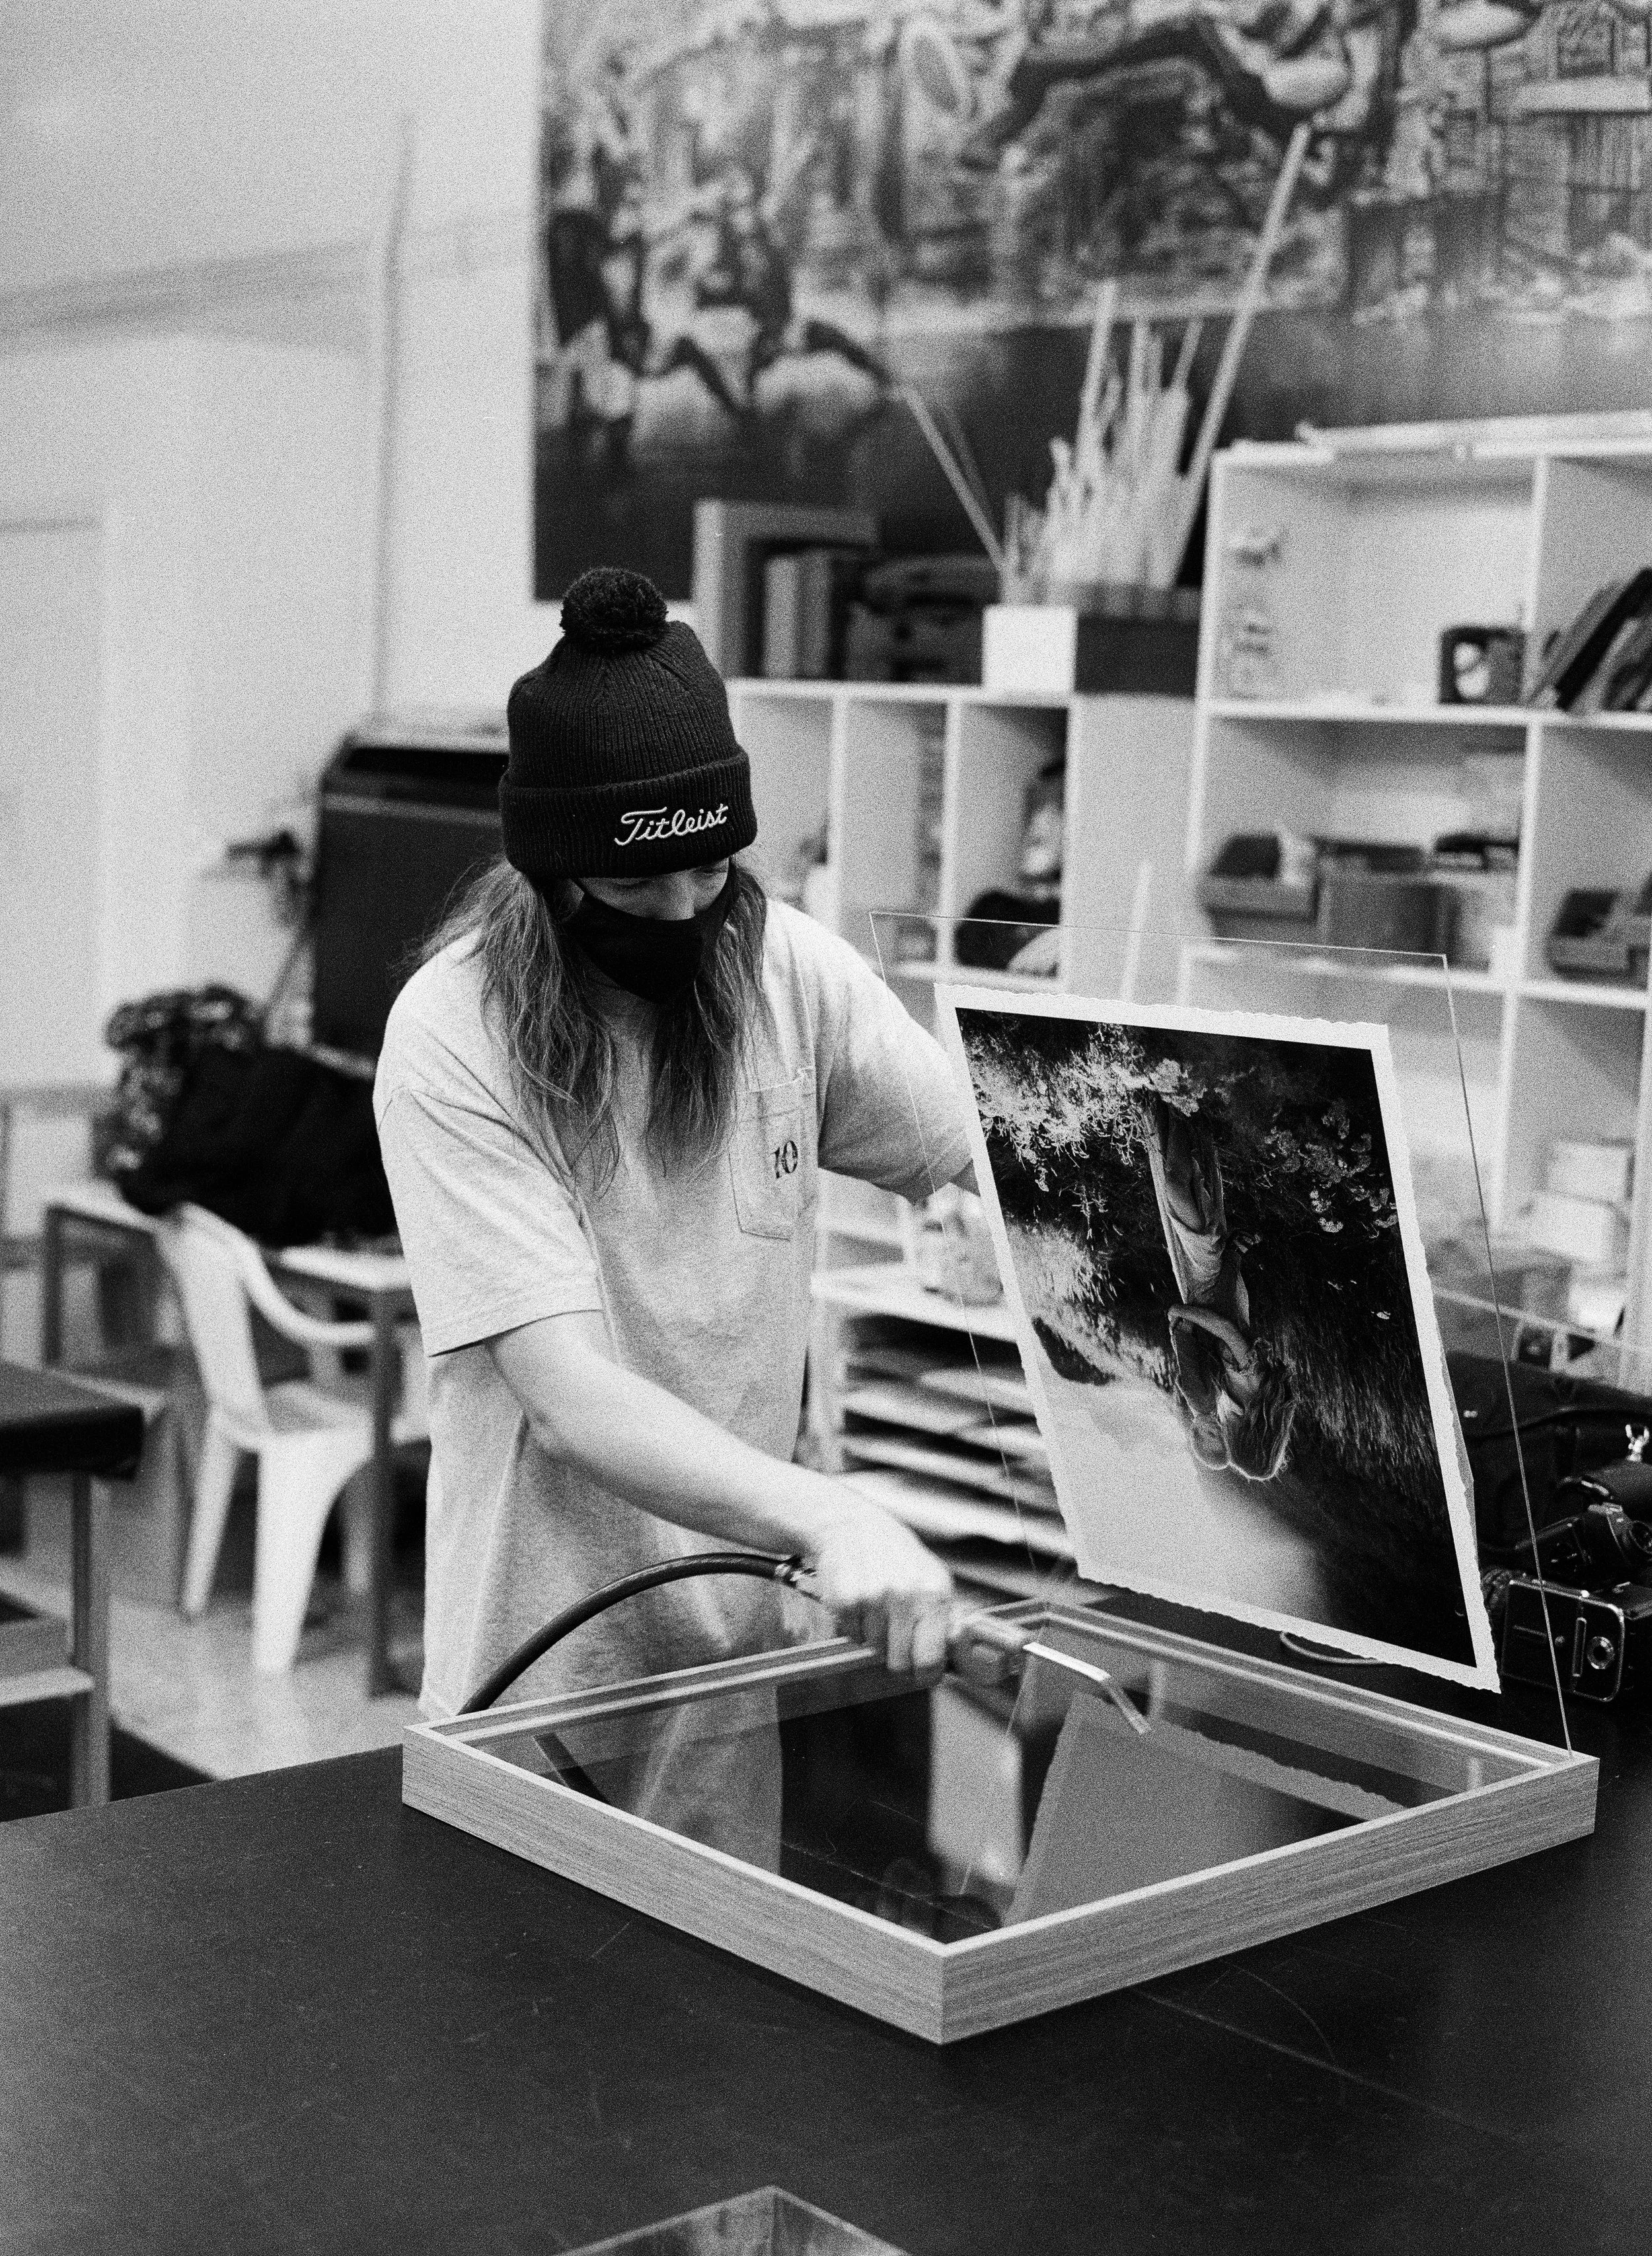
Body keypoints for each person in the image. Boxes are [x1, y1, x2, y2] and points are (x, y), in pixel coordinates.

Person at [373, 568, 971, 1784]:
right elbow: (570, 1394)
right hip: (540, 1679)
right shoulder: (453, 1034)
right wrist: (831, 1511)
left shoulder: (787, 970)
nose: (684, 910)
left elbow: (985, 1157)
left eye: (709, 872)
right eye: (638, 884)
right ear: (549, 872)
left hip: (734, 1674)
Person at [1141, 1094, 1295, 1481]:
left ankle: (1175, 1107)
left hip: (1205, 1289)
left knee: (1183, 1195)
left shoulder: (1238, 1402)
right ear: (1249, 1440)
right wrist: (1183, 1313)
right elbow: (1228, 1328)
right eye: (1234, 1443)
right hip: (1212, 1284)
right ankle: (1178, 1100)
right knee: (1178, 1191)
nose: (1226, 1437)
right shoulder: (1254, 1385)